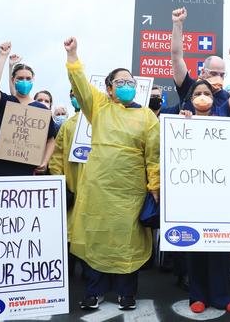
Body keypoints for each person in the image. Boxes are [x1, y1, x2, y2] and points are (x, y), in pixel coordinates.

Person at [64, 37, 159, 311]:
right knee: (95, 237)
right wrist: (73, 56)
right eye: (121, 82)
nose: (127, 85)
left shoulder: (147, 117)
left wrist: (154, 184)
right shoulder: (99, 107)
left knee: (128, 241)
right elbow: (80, 86)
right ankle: (94, 291)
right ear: (109, 88)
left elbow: (153, 156)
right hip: (98, 189)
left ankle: (126, 292)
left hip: (130, 191)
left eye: (131, 82)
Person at [178, 49, 230, 315]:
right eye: (198, 94)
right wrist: (182, 125)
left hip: (220, 194)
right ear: (191, 99)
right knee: (195, 246)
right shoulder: (183, 119)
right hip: (192, 194)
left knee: (218, 246)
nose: (203, 97)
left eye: (207, 93)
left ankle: (220, 296)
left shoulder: (225, 111)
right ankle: (197, 295)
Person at [0, 42, 57, 176]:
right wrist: (2, 56)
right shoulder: (5, 102)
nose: (25, 81)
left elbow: (51, 139)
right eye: (20, 78)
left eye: (28, 78)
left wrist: (45, 161)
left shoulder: (42, 110)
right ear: (13, 80)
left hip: (26, 172)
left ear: (33, 80)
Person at [49, 89, 84, 277]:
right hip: (72, 188)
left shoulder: (101, 122)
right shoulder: (67, 126)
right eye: (73, 94)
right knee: (70, 237)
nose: (76, 97)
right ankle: (67, 278)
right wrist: (60, 183)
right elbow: (56, 157)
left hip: (96, 191)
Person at [171, 7, 230, 111]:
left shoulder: (226, 97)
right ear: (203, 72)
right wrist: (177, 23)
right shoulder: (189, 87)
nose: (218, 77)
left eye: (222, 75)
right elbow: (176, 57)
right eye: (213, 73)